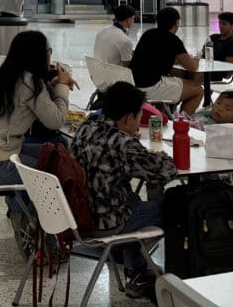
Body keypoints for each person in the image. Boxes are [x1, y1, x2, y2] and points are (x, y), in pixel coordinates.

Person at [70, 81, 177, 299]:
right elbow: (165, 171)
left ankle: (136, 272)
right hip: (108, 222)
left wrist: (129, 141)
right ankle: (175, 276)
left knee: (134, 198)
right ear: (129, 118)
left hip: (79, 214)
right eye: (138, 117)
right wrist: (157, 156)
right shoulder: (122, 143)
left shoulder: (86, 127)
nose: (138, 123)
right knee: (175, 208)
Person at [0, 30, 75, 188]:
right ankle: (30, 211)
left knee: (55, 153)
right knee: (60, 167)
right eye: (48, 51)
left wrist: (53, 85)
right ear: (38, 55)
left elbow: (37, 104)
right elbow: (56, 121)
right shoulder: (30, 83)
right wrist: (62, 86)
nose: (50, 55)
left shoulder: (9, 75)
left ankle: (21, 210)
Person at [130, 7, 204, 114]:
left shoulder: (148, 34)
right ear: (176, 23)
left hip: (134, 84)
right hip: (151, 87)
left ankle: (168, 112)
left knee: (179, 78)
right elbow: (192, 67)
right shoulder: (173, 40)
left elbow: (156, 56)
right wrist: (197, 59)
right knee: (198, 90)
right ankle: (183, 123)